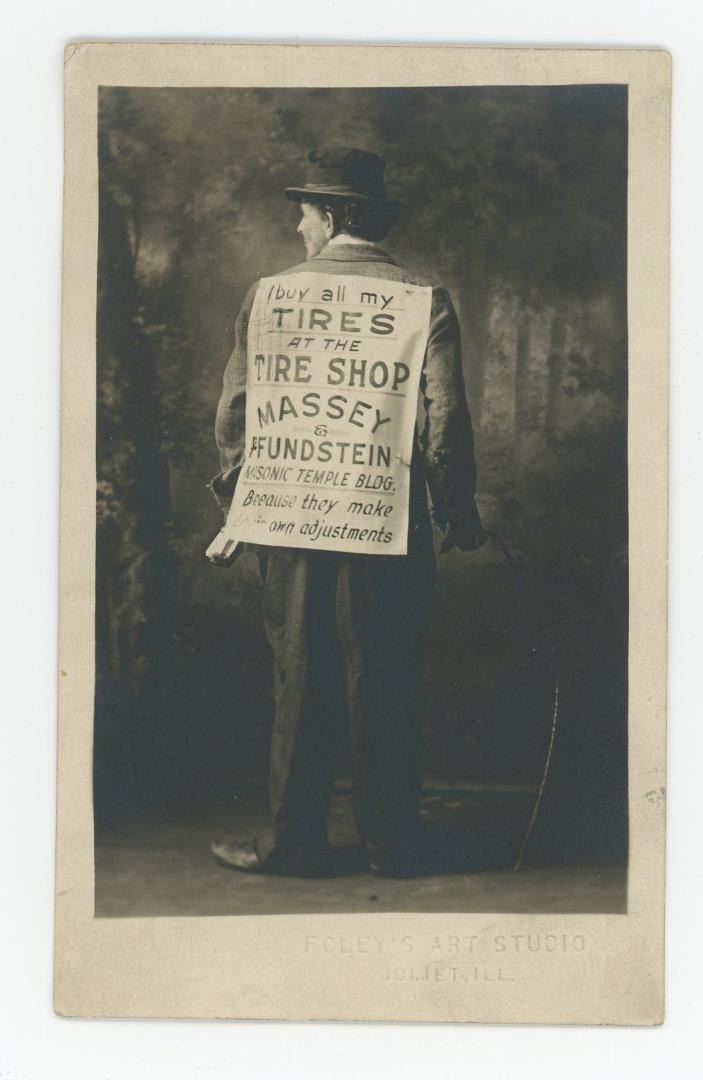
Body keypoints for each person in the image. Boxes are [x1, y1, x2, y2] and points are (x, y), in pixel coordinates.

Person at [209, 147, 484, 878]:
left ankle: (293, 845)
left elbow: (236, 413)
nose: (299, 226)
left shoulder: (268, 295)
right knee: (384, 676)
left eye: (305, 213)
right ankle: (392, 846)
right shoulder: (424, 299)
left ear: (330, 216)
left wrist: (244, 503)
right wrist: (456, 509)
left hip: (286, 516)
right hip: (384, 520)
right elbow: (446, 420)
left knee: (299, 677)